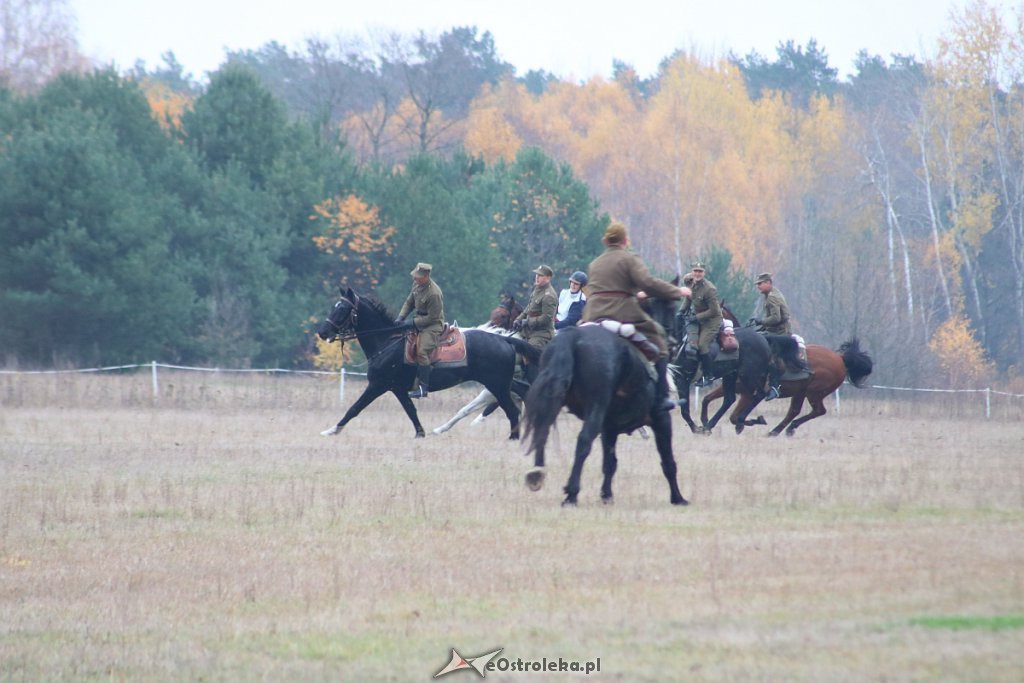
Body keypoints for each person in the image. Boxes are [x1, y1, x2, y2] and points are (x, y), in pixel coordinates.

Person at [582, 221, 688, 413]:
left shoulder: (595, 263)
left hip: (591, 314)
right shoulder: (629, 259)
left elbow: (608, 286)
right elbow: (647, 283)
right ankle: (661, 398)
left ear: (606, 241)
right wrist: (677, 291)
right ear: (625, 240)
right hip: (620, 312)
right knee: (660, 341)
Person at [395, 262, 445, 398]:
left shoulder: (434, 293)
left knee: (422, 351)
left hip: (432, 326)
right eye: (415, 276)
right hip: (419, 321)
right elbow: (409, 302)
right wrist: (400, 317)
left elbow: (433, 318)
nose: (415, 279)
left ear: (427, 276)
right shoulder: (417, 284)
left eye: (418, 277)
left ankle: (423, 389)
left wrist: (411, 323)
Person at [751, 272, 792, 400]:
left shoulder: (772, 297)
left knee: (769, 356)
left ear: (768, 283)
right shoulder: (772, 294)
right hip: (774, 330)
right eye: (757, 284)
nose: (758, 287)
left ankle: (774, 387)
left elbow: (776, 317)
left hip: (780, 333)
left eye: (760, 284)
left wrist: (761, 321)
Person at [683, 261, 723, 387]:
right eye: (695, 271)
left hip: (712, 321)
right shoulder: (691, 284)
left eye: (700, 271)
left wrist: (696, 317)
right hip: (699, 319)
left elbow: (714, 311)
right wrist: (680, 313)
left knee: (702, 345)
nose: (697, 274)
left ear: (704, 273)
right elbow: (688, 300)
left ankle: (708, 376)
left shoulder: (709, 289)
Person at [513, 264, 558, 352]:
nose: (537, 277)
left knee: (529, 353)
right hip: (528, 331)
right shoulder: (537, 289)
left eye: (540, 276)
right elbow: (529, 308)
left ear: (548, 278)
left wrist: (527, 321)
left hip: (541, 334)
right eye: (537, 275)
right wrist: (518, 319)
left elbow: (546, 318)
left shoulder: (549, 295)